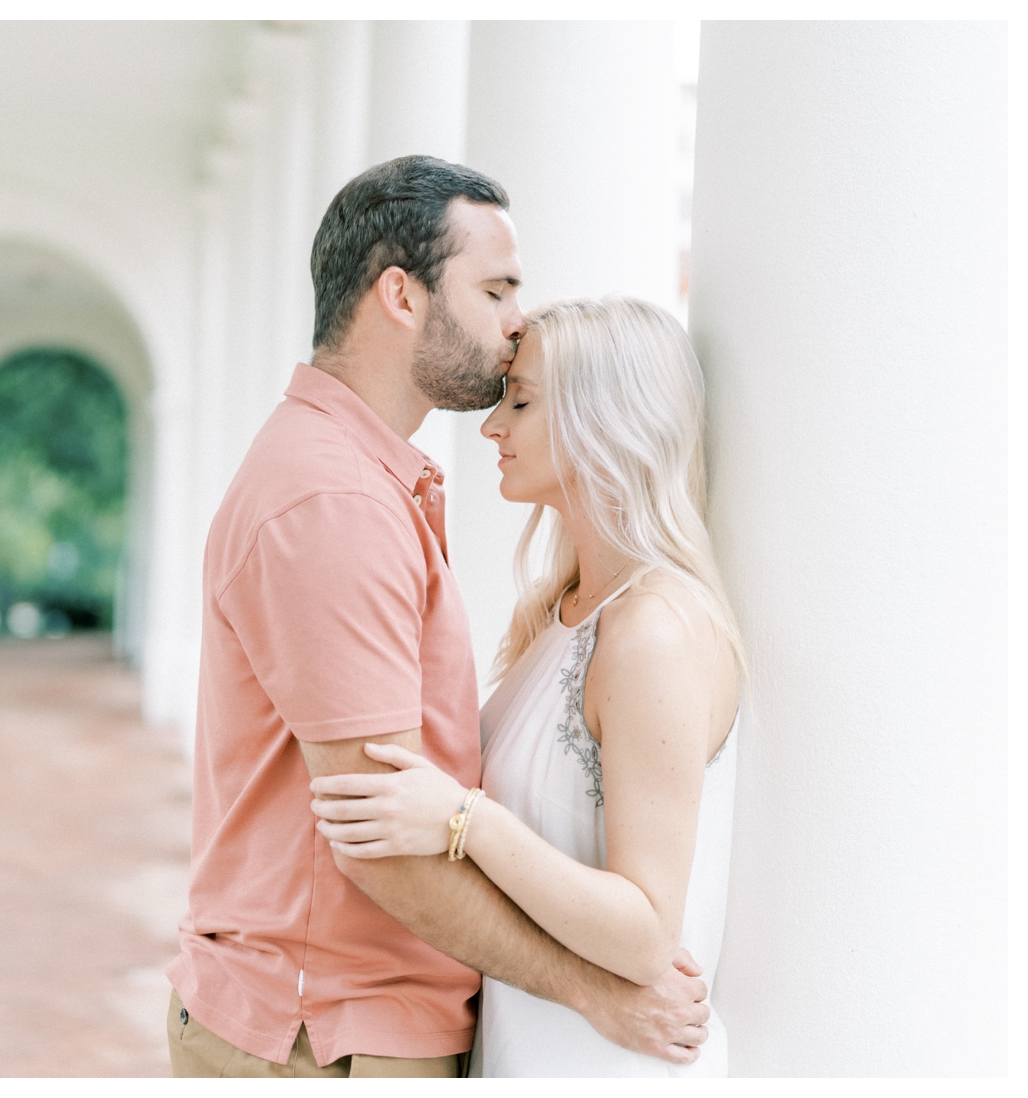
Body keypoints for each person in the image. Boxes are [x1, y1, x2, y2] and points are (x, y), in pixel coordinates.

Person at [165, 157, 712, 1078]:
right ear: (401, 295)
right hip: (323, 1038)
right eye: (495, 289)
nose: (516, 323)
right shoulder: (334, 501)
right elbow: (380, 844)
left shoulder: (362, 480)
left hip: (343, 1028)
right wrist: (590, 989)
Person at [310, 296, 743, 1076]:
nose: (490, 427)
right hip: (533, 1045)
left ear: (603, 421)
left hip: (609, 1064)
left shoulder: (653, 632)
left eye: (521, 401)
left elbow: (647, 933)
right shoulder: (562, 613)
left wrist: (463, 820)